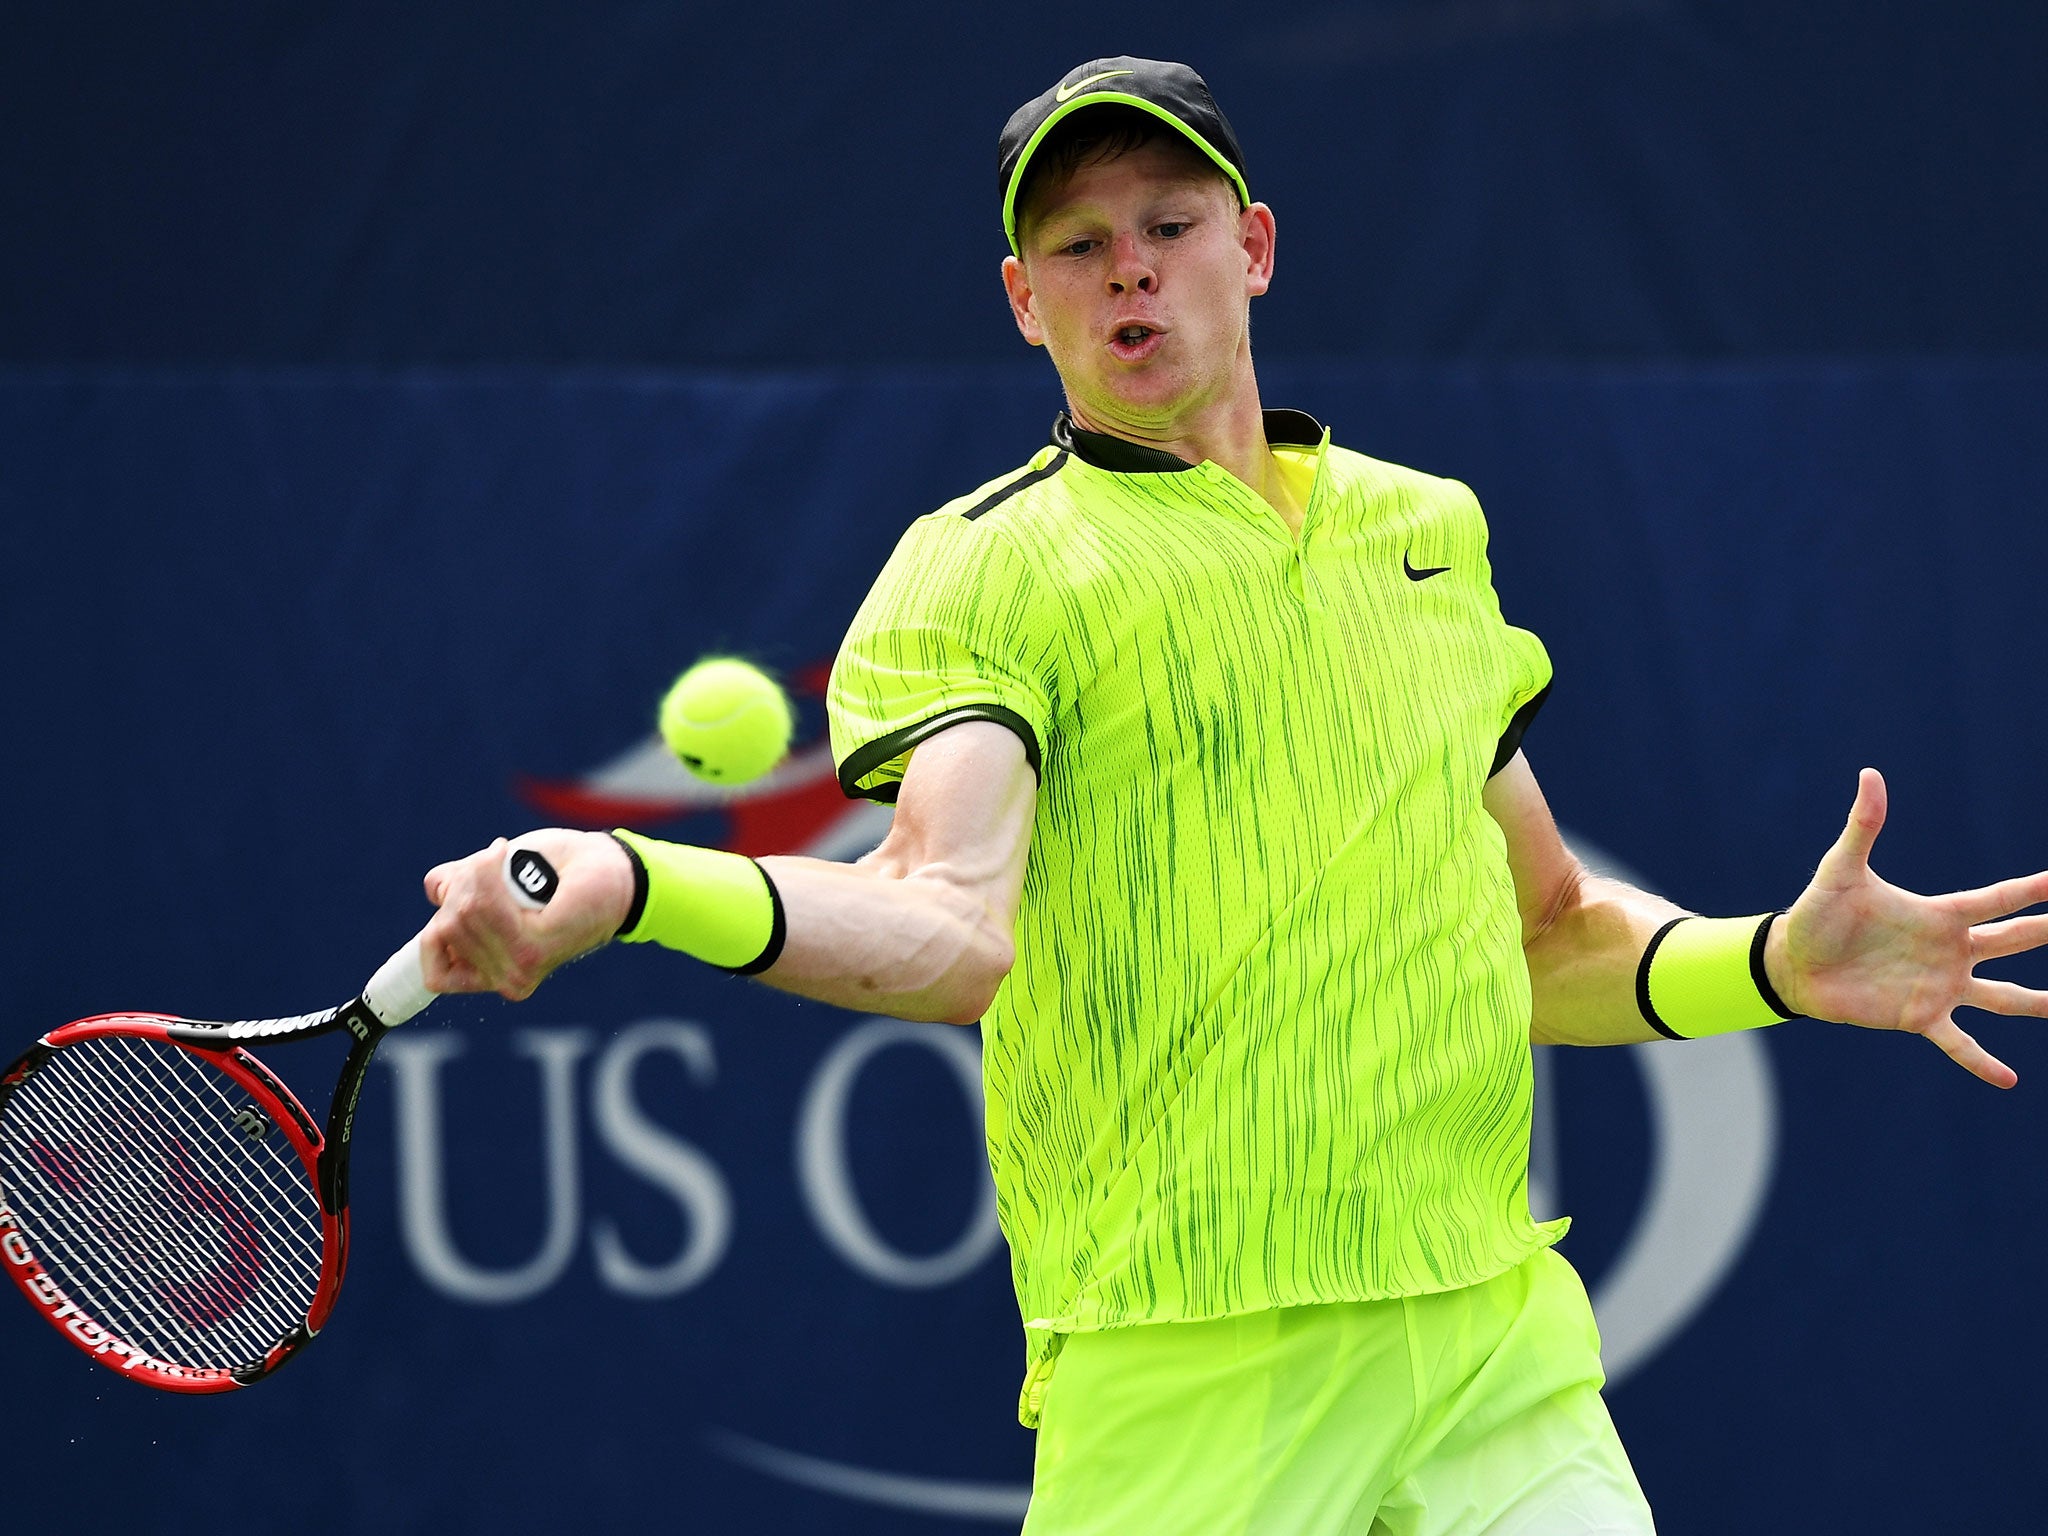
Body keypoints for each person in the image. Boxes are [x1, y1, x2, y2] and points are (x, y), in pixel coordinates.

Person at [419, 58, 2048, 1535]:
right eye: (1075, 242)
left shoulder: (1424, 535)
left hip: (1491, 1343)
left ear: (1251, 248)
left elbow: (1544, 937)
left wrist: (1773, 962)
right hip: (1186, 1379)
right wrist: (636, 883)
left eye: (1169, 220)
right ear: (1022, 300)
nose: (1129, 264)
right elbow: (945, 926)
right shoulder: (987, 571)